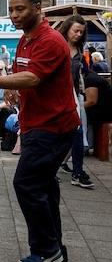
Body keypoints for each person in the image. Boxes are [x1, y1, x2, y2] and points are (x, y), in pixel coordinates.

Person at [0, 0, 79, 262]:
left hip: (53, 127)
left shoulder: (49, 40)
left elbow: (33, 77)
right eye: (11, 9)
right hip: (34, 124)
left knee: (27, 184)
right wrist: (15, 93)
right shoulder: (25, 41)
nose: (14, 14)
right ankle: (54, 247)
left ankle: (46, 250)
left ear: (37, 7)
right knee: (44, 185)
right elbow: (25, 77)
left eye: (20, 9)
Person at [56, 15, 95, 189]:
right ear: (67, 29)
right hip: (56, 97)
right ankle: (51, 169)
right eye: (76, 30)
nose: (79, 34)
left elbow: (84, 73)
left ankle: (77, 172)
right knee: (57, 136)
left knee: (77, 133)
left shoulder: (80, 51)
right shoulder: (57, 45)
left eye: (82, 31)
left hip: (74, 98)